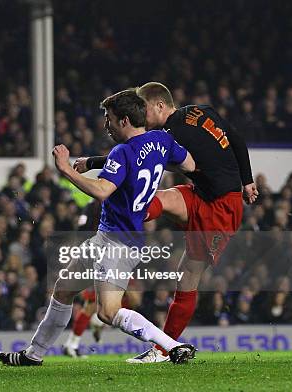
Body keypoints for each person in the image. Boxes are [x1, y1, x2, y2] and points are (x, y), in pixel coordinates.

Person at [0, 89, 197, 366]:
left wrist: (66, 170)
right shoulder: (162, 140)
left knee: (107, 312)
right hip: (107, 237)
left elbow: (103, 190)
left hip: (118, 244)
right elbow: (189, 163)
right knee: (64, 287)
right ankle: (34, 354)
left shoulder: (123, 151)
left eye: (110, 119)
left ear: (125, 121)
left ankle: (171, 346)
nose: (106, 125)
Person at [74, 82, 258, 363]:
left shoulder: (170, 132)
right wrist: (247, 179)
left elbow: (143, 157)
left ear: (160, 106)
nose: (140, 117)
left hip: (221, 208)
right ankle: (118, 237)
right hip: (203, 194)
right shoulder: (200, 111)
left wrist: (94, 162)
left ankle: (163, 351)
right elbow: (235, 138)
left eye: (144, 110)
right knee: (155, 198)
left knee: (187, 278)